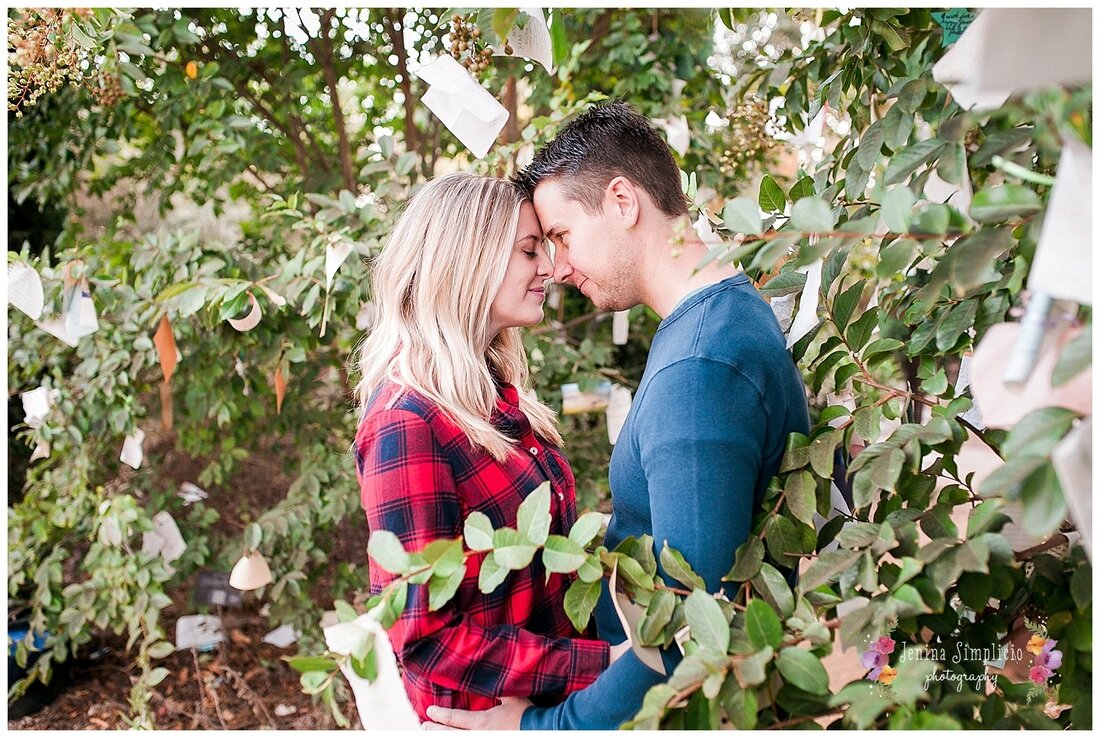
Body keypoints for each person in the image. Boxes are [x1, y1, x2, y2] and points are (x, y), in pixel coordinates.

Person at [425, 102, 811, 730]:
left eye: (561, 236)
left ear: (623, 202)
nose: (555, 266)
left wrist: (541, 729)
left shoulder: (699, 370)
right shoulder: (725, 311)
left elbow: (694, 634)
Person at [353, 172, 625, 724]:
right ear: (468, 259)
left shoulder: (488, 394)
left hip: (551, 709)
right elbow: (426, 638)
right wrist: (604, 666)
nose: (549, 268)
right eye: (530, 251)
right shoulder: (406, 421)